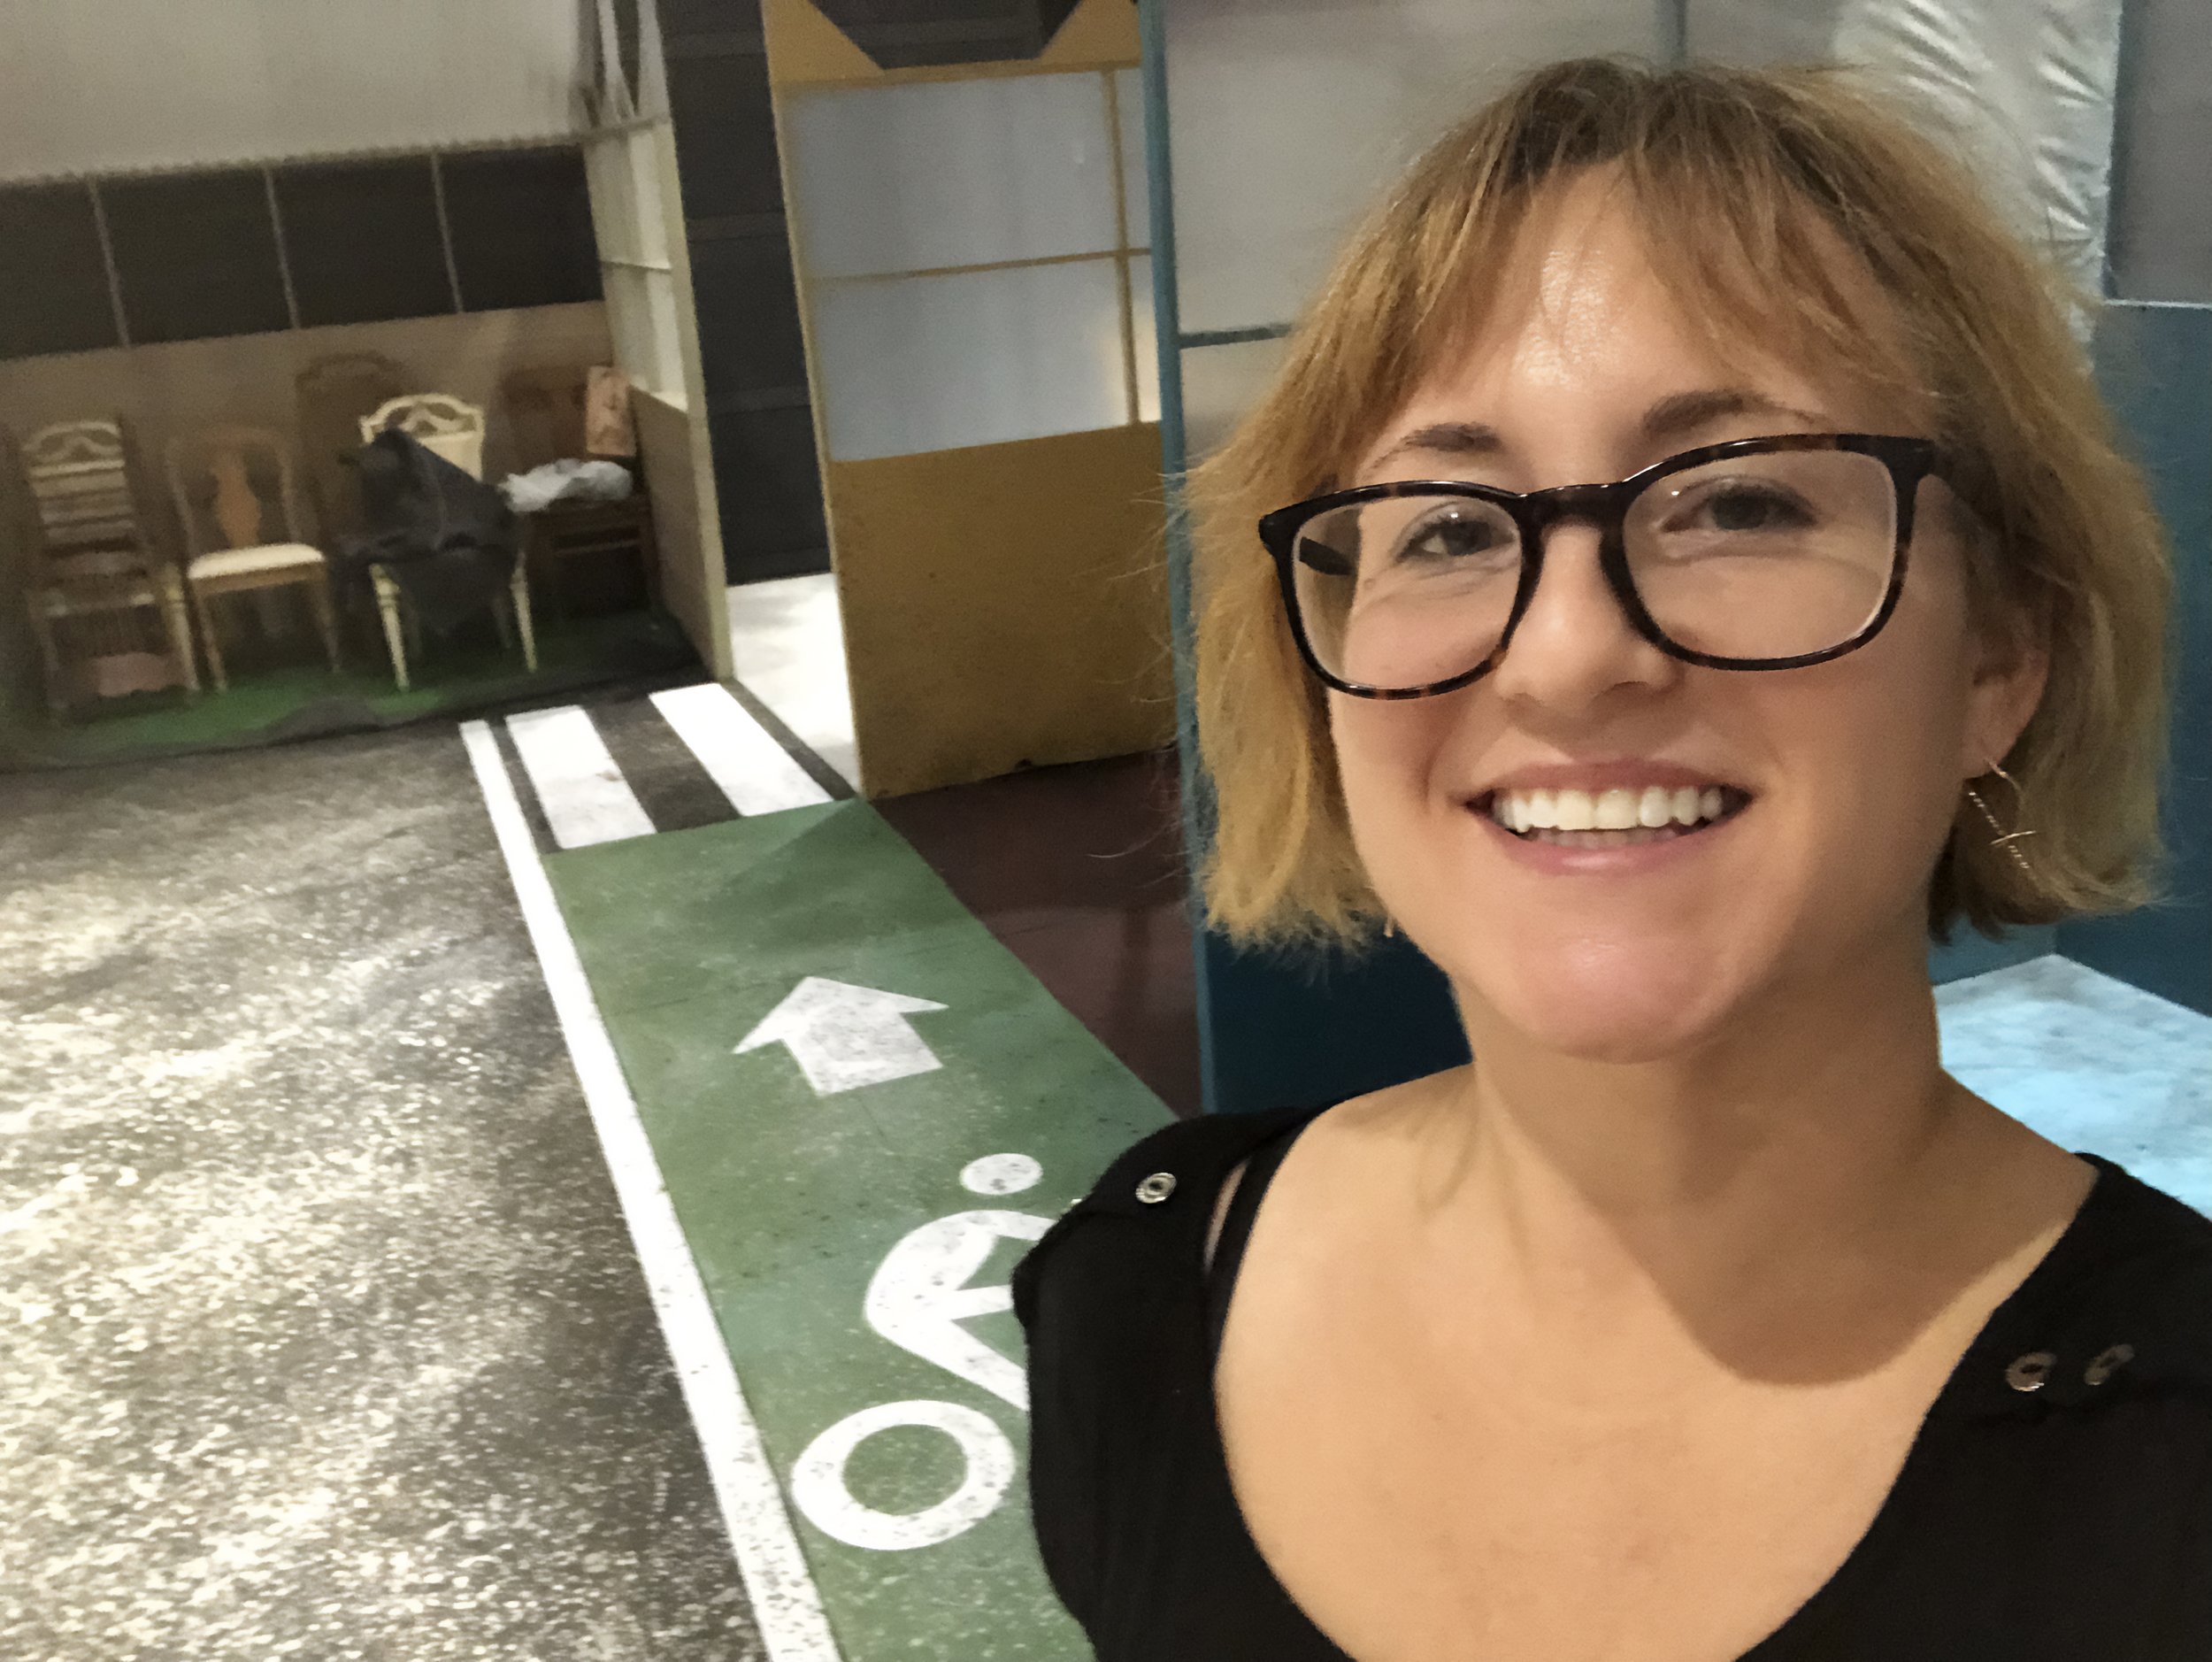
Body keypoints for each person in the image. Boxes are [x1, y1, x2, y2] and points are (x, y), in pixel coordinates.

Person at [1011, 55, 2211, 1661]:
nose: (1567, 657)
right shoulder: (1138, 1295)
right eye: (1445, 524)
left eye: (1740, 502)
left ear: (2000, 651)